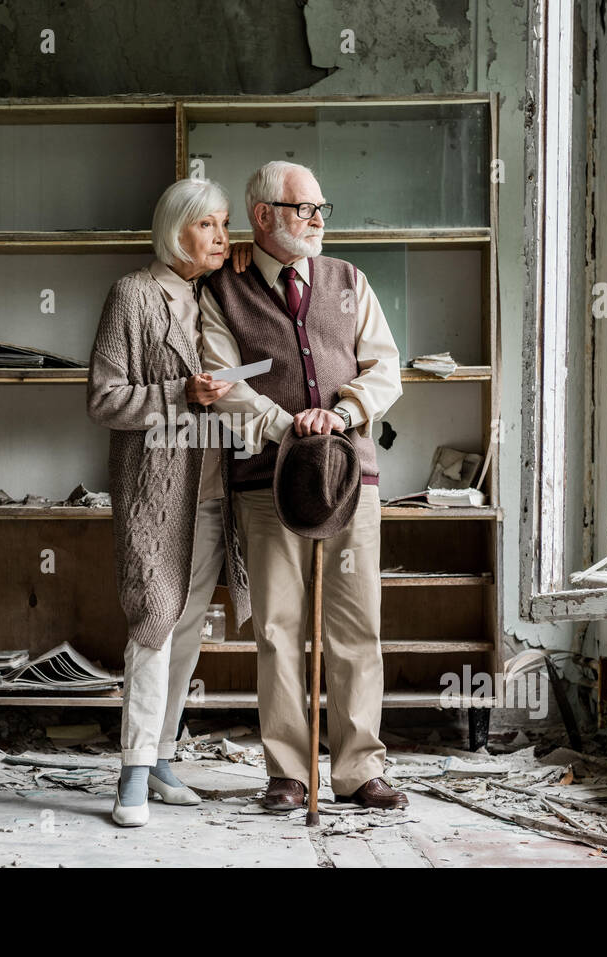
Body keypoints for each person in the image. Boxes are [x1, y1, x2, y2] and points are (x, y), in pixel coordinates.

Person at [199, 160, 408, 811]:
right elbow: (221, 382)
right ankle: (288, 772)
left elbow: (387, 368)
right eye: (303, 209)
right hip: (267, 485)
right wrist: (289, 425)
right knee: (279, 628)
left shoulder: (350, 281)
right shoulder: (222, 290)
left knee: (355, 627)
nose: (318, 220)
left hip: (351, 483)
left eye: (322, 208)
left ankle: (357, 769)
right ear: (262, 217)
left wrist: (341, 413)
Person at [87, 177, 252, 827]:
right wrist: (182, 393)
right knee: (153, 618)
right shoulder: (133, 293)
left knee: (187, 629)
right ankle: (130, 771)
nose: (222, 236)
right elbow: (104, 398)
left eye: (226, 225)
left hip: (216, 495)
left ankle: (159, 758)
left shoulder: (215, 298)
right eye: (209, 225)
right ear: (174, 229)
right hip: (155, 494)